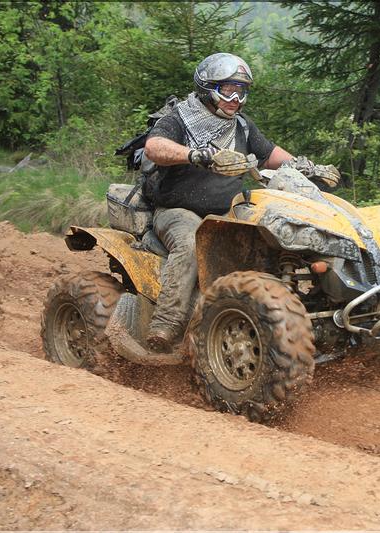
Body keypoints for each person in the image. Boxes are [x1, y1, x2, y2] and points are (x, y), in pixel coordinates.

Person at [143, 52, 338, 353]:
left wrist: (309, 168)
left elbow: (273, 155)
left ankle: (294, 317)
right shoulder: (180, 118)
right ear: (207, 88)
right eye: (228, 90)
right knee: (191, 244)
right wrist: (195, 154)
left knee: (276, 238)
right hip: (178, 210)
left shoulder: (242, 127)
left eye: (242, 91)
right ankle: (166, 324)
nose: (236, 98)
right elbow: (154, 147)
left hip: (228, 210)